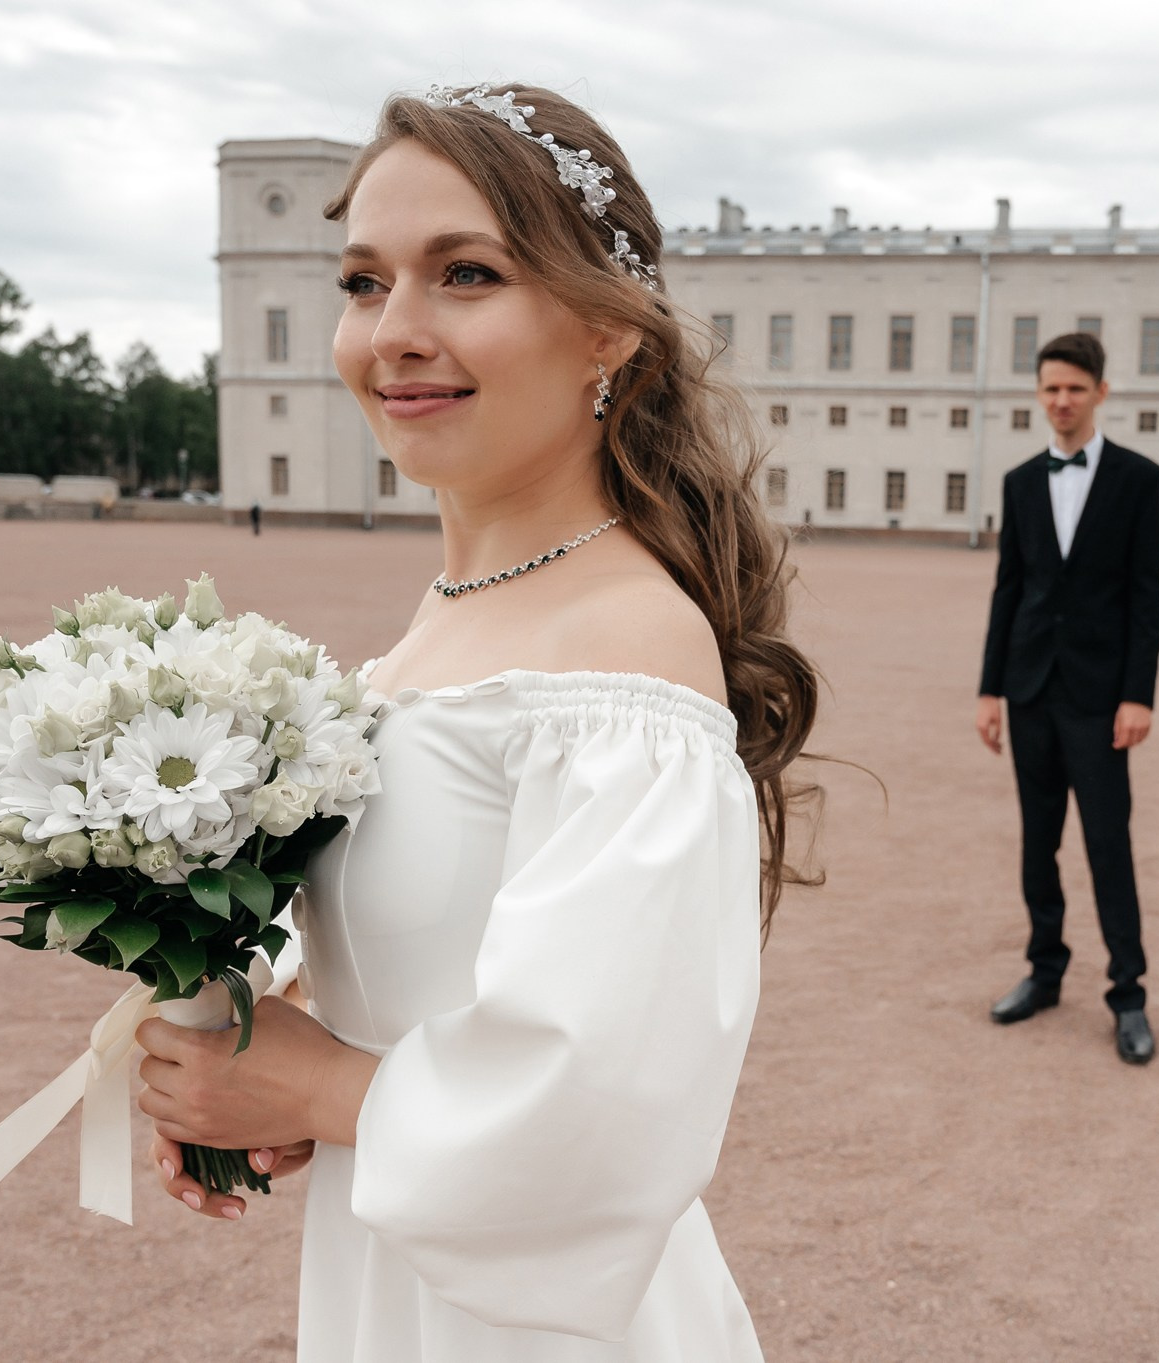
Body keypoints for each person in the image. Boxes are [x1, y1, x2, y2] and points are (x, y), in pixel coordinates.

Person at [131, 82, 818, 1361]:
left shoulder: (624, 653)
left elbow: (606, 1108)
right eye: (363, 281)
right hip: (391, 1274)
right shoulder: (438, 623)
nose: (394, 331)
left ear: (607, 330)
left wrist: (320, 1085)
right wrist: (246, 1047)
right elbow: (419, 952)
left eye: (466, 274)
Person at [975, 331, 1159, 1065]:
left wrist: (1138, 696)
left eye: (1075, 389)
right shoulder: (1021, 481)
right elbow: (1009, 589)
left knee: (1108, 844)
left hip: (1101, 699)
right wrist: (990, 688)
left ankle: (1129, 995)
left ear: (1100, 393)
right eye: (1051, 388)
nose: (1062, 400)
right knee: (1039, 843)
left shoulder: (1140, 479)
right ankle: (1045, 971)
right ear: (1039, 392)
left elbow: (1146, 598)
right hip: (1030, 691)